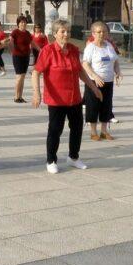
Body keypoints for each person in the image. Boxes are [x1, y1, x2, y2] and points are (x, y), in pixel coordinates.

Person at [31, 19, 103, 174]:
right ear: (55, 34)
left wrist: (93, 88)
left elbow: (80, 71)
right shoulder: (48, 51)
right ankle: (51, 160)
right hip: (56, 100)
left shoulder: (73, 50)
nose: (66, 34)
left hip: (74, 98)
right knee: (55, 130)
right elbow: (36, 72)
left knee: (77, 128)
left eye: (68, 31)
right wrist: (36, 92)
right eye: (62, 31)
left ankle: (73, 157)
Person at [81, 21, 121, 142]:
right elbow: (85, 64)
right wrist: (95, 76)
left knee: (106, 106)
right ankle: (93, 132)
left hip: (108, 82)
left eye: (104, 31)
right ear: (93, 33)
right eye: (99, 32)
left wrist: (118, 72)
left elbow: (115, 61)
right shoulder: (90, 47)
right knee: (93, 106)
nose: (102, 34)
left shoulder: (109, 45)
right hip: (94, 82)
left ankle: (104, 131)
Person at [10, 16, 33, 103]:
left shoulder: (27, 33)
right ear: (18, 24)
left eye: (24, 22)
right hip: (17, 57)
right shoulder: (15, 32)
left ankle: (20, 96)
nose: (23, 24)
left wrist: (40, 50)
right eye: (21, 22)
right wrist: (12, 50)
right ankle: (16, 97)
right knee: (19, 77)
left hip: (26, 57)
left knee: (23, 77)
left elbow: (32, 42)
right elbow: (11, 41)